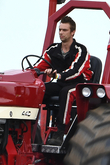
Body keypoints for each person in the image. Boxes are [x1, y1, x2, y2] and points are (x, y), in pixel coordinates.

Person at [35, 16, 93, 145]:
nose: (61, 33)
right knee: (40, 89)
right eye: (60, 30)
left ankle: (60, 132)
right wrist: (29, 74)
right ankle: (32, 128)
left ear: (73, 32)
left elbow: (76, 71)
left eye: (65, 30)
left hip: (79, 84)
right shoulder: (53, 49)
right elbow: (39, 65)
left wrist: (57, 76)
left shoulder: (81, 50)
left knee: (66, 92)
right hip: (61, 82)